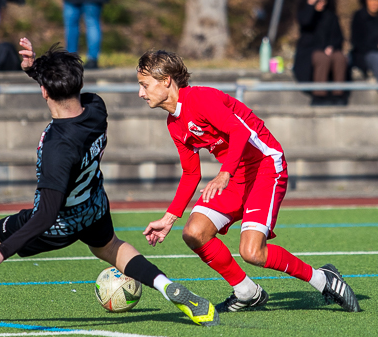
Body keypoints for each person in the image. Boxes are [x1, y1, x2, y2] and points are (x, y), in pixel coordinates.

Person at [0, 39, 218, 327]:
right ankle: (168, 287)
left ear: (45, 92)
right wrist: (36, 71)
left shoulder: (58, 148)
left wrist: (2, 252)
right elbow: (67, 91)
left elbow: (46, 214)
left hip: (61, 220)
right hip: (94, 204)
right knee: (110, 246)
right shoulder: (96, 108)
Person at [137, 50, 360, 313]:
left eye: (144, 84)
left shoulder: (199, 98)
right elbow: (190, 174)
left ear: (166, 80)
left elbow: (239, 131)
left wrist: (224, 173)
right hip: (235, 173)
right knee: (194, 233)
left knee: (253, 253)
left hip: (266, 166)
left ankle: (324, 279)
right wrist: (169, 218)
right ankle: (246, 291)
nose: (141, 93)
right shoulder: (174, 123)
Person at [293, 0, 347, 105]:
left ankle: (338, 94)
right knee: (322, 58)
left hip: (329, 50)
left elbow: (338, 37)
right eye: (318, 0)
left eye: (323, 0)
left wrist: (331, 47)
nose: (321, 3)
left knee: (340, 58)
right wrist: (311, 2)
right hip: (309, 51)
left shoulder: (331, 16)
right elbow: (304, 21)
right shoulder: (307, 14)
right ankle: (319, 95)